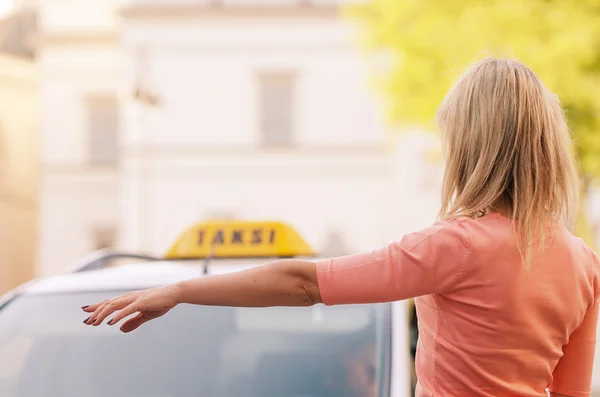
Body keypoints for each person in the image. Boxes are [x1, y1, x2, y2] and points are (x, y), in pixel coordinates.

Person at [82, 58, 600, 397]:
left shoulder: (457, 245)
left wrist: (178, 290)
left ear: (471, 146)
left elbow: (306, 283)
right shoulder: (582, 260)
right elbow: (571, 392)